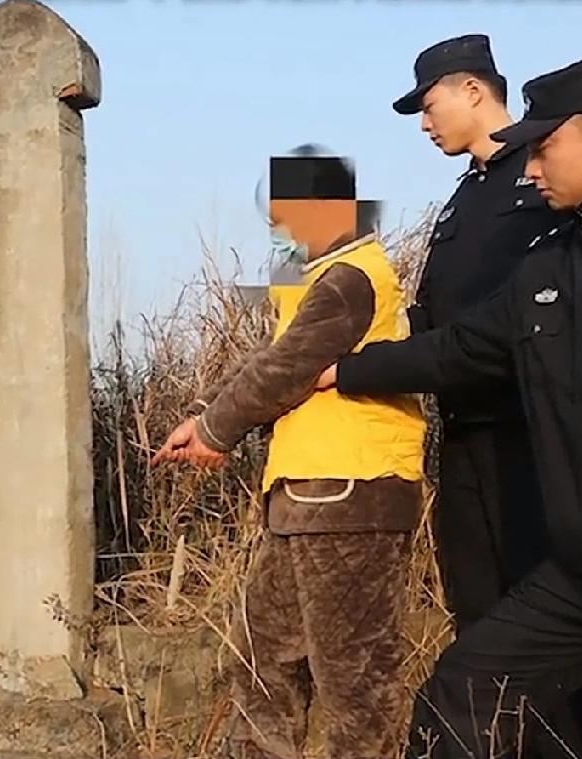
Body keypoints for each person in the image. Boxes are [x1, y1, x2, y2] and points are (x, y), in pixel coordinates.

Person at [318, 53, 582, 758]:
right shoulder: (548, 264)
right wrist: (344, 370)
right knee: (464, 692)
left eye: (545, 149)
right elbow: (457, 348)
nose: (532, 167)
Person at [154, 149, 426, 758]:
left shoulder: (352, 278)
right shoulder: (315, 278)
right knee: (263, 660)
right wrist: (202, 415)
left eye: (286, 216)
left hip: (354, 494)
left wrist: (216, 432)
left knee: (354, 681)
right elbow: (269, 357)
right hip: (307, 497)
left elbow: (285, 370)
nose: (279, 230)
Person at [390, 34, 582, 755]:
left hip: (534, 437)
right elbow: (435, 317)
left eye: (429, 106)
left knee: (555, 633)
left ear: (473, 91)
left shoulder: (547, 176)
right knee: (480, 620)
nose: (425, 125)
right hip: (464, 441)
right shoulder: (464, 197)